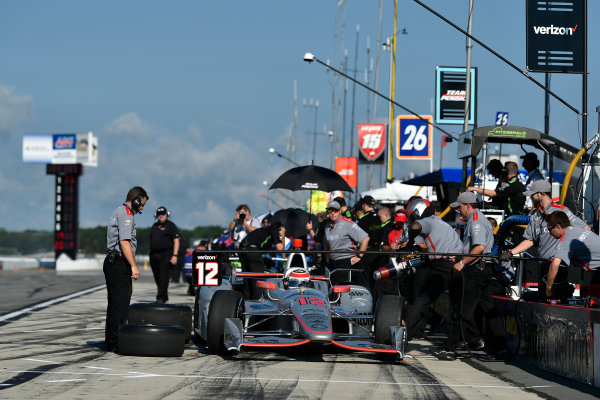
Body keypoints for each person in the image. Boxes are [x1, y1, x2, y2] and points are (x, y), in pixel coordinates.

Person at [439, 191, 501, 359]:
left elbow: (479, 247)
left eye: (459, 208)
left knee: (463, 310)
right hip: (482, 268)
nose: (458, 211)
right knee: (488, 308)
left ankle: (452, 348)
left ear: (467, 206)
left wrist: (461, 262)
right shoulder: (477, 219)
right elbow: (476, 248)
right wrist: (461, 257)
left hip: (476, 271)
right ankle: (501, 346)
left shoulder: (475, 221)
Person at [504, 180, 590, 297]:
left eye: (533, 194)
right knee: (544, 301)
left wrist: (570, 251)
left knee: (557, 304)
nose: (530, 196)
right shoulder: (536, 215)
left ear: (541, 194)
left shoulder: (560, 210)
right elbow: (530, 239)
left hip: (559, 266)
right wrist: (510, 253)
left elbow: (585, 228)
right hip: (543, 266)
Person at [405, 201, 463, 341]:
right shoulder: (441, 222)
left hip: (442, 266)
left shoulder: (426, 222)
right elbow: (425, 246)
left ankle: (405, 336)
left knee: (421, 301)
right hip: (459, 264)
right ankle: (460, 342)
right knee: (458, 307)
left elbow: (415, 226)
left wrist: (410, 240)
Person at [103, 186, 147, 352]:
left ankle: (111, 339)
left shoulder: (118, 211)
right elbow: (124, 242)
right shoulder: (126, 214)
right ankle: (116, 342)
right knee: (120, 304)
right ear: (135, 200)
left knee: (114, 303)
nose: (142, 208)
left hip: (113, 262)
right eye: (142, 204)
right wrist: (134, 265)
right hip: (119, 262)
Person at [544, 211, 600, 299]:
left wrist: (548, 290)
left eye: (550, 230)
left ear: (558, 226)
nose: (550, 233)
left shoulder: (566, 240)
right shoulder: (578, 229)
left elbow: (555, 264)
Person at [323, 200, 370, 288]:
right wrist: (327, 256)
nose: (332, 213)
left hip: (346, 261)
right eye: (330, 211)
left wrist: (359, 256)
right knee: (332, 290)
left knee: (343, 290)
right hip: (333, 262)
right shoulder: (327, 226)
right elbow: (325, 242)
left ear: (340, 211)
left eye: (335, 210)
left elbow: (365, 238)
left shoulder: (348, 223)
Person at [239, 221, 285, 299]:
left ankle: (246, 300)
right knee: (258, 277)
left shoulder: (265, 229)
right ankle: (257, 300)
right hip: (252, 250)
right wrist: (282, 236)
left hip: (242, 248)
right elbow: (280, 248)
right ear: (281, 228)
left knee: (247, 278)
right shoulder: (275, 230)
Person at [149, 206, 180, 304]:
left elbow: (176, 241)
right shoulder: (154, 225)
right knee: (157, 277)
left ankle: (160, 298)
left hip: (166, 254)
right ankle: (164, 296)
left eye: (162, 214)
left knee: (164, 277)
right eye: (159, 214)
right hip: (154, 255)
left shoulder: (171, 226)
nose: (160, 216)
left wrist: (175, 255)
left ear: (167, 215)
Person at [356, 195, 382, 290]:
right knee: (375, 278)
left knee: (364, 279)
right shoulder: (379, 218)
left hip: (366, 252)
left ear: (364, 205)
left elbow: (359, 237)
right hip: (378, 251)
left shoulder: (363, 220)